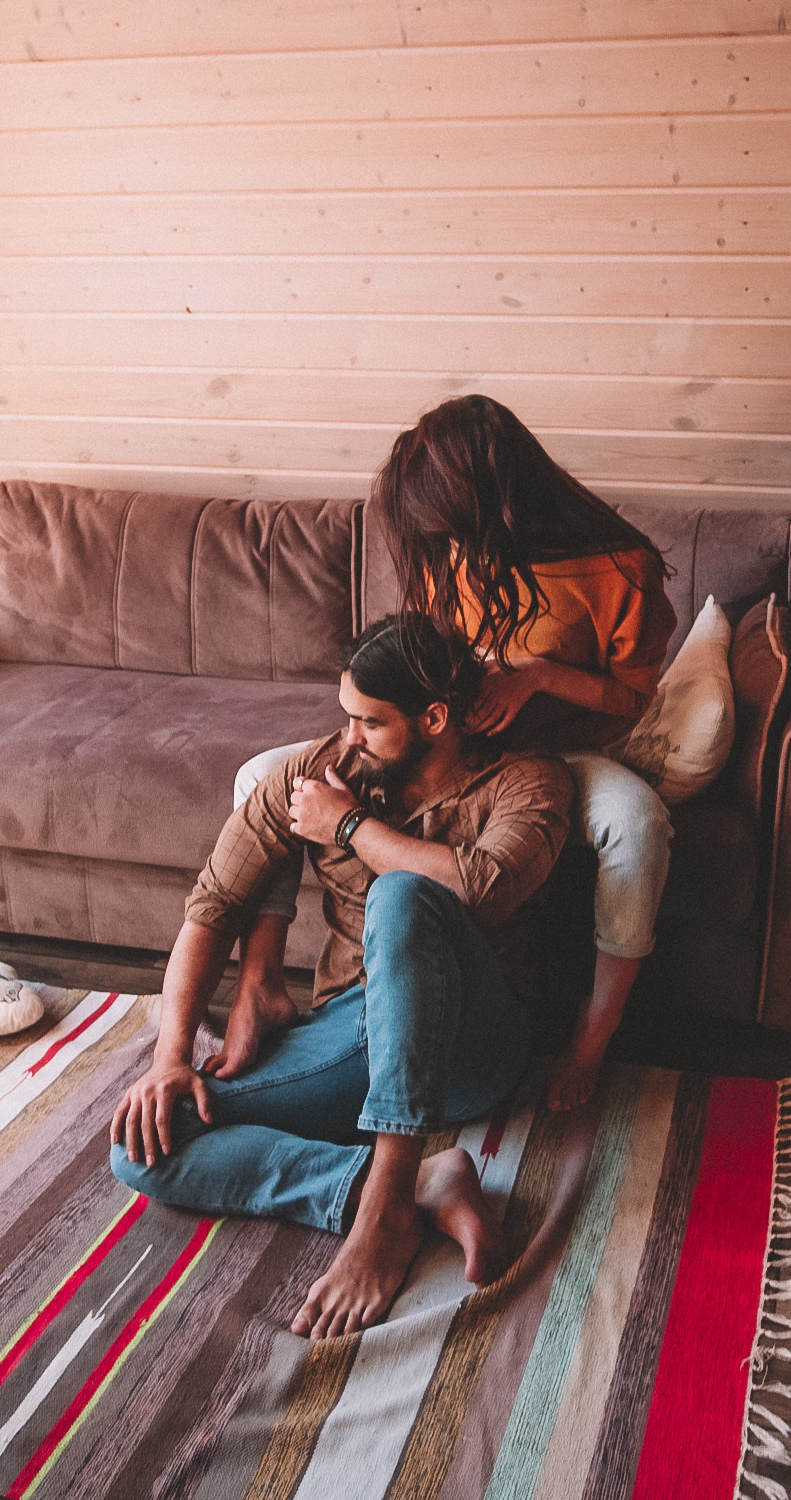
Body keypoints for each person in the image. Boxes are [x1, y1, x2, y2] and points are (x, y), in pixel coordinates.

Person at [109, 614, 571, 1340]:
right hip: (354, 1031)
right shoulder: (318, 775)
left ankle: (386, 1204)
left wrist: (352, 829)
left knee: (403, 892)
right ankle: (417, 1182)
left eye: (368, 722)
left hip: (475, 1044)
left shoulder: (528, 781)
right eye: (346, 716)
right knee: (147, 1140)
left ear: (435, 718)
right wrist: (168, 1060)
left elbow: (480, 885)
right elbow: (213, 906)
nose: (348, 736)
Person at [224, 397, 677, 1115]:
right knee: (261, 777)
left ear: (491, 495)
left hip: (552, 750)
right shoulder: (453, 555)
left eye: (446, 519)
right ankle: (261, 982)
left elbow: (631, 700)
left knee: (640, 822)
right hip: (453, 742)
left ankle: (594, 1032)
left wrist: (537, 677)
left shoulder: (622, 568)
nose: (440, 539)